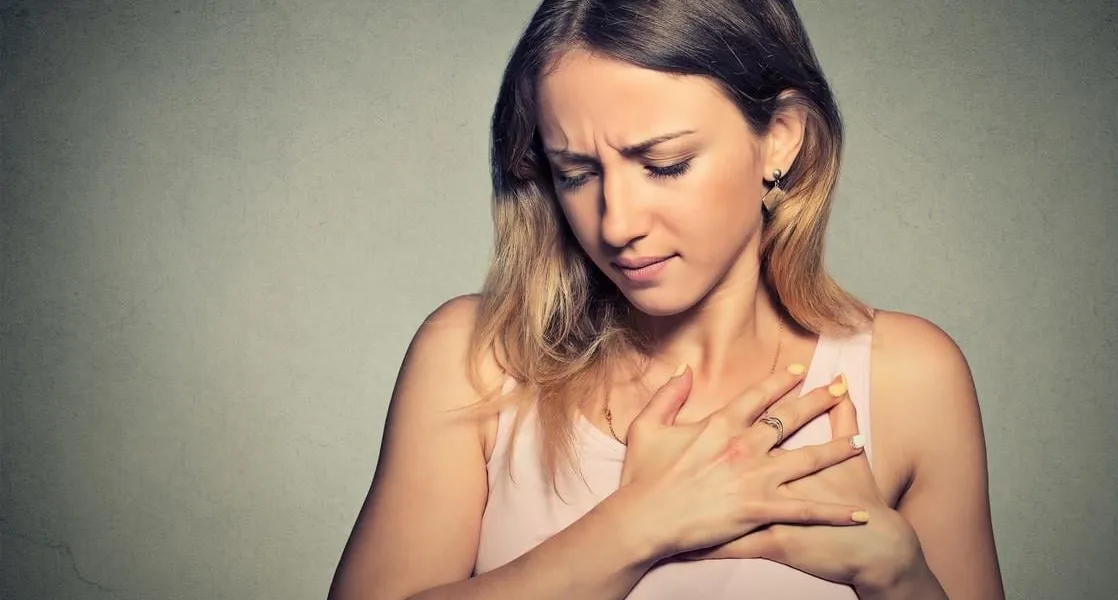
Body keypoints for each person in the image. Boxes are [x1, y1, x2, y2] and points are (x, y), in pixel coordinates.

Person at [329, 0, 1005, 598]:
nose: (616, 222)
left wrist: (899, 579)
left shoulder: (909, 378)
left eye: (665, 164)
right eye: (577, 173)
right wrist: (634, 526)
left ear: (781, 138)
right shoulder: (478, 356)